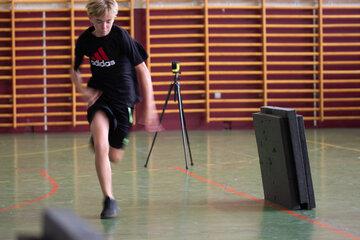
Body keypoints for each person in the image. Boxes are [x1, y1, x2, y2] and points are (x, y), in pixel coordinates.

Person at [70, 0, 160, 219]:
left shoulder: (121, 37)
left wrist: (150, 106)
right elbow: (75, 70)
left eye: (109, 21)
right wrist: (83, 90)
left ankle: (108, 141)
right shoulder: (84, 40)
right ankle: (109, 200)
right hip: (100, 96)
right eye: (99, 21)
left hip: (124, 99)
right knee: (101, 145)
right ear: (91, 18)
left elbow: (143, 72)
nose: (105, 26)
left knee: (115, 155)